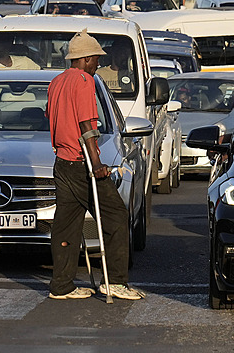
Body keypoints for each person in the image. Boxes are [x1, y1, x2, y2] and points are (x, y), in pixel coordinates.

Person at [46, 29, 144, 301]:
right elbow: (87, 125)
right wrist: (97, 162)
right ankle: (114, 282)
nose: (99, 63)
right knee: (116, 216)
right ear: (86, 59)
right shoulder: (85, 81)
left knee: (66, 225)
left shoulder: (56, 82)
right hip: (82, 162)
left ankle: (61, 285)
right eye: (96, 59)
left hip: (62, 161)